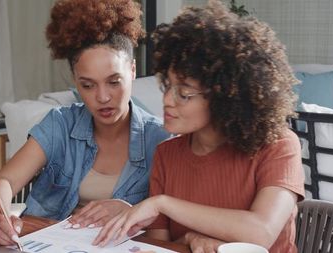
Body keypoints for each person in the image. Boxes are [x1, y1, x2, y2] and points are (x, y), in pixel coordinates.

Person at [93, 1, 305, 252]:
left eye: (184, 94)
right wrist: (190, 240)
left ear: (223, 98)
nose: (167, 101)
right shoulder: (167, 155)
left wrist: (162, 204)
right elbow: (160, 246)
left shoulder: (278, 146)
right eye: (167, 86)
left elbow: (261, 232)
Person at [0, 0, 170, 246]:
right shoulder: (59, 125)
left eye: (114, 81)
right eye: (88, 85)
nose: (102, 97)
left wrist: (131, 212)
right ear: (74, 79)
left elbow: (171, 225)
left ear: (133, 70)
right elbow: (4, 181)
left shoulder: (161, 141)